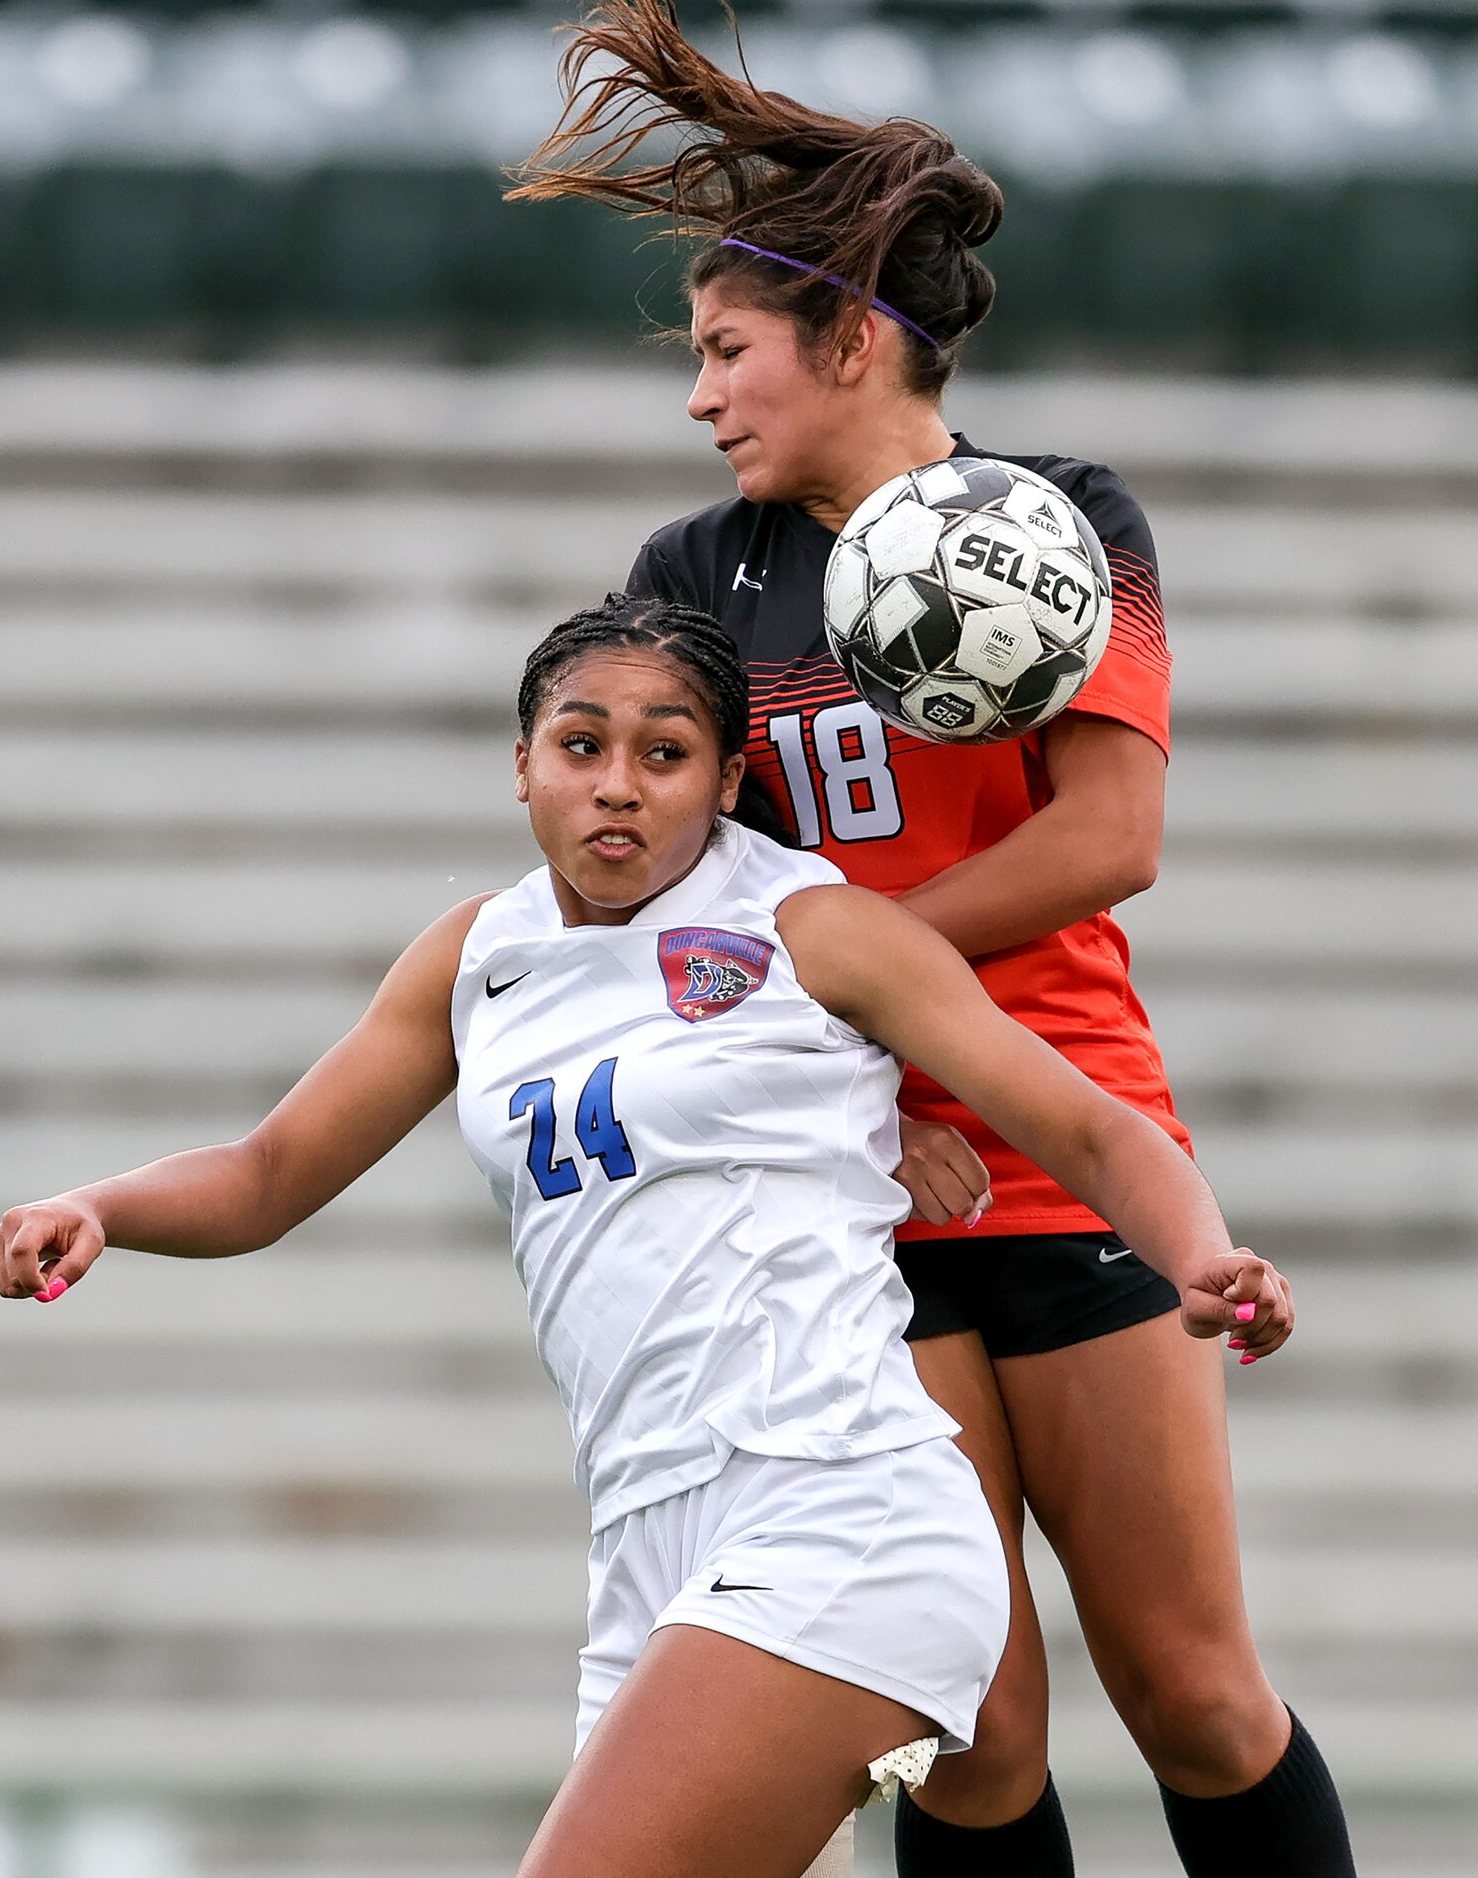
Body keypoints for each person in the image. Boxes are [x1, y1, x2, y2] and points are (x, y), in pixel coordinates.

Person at [0, 596, 1295, 1878]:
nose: (617, 783)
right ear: (520, 765)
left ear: (726, 776)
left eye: (663, 751)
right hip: (648, 1551)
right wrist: (98, 1206)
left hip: (833, 1503)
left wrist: (1200, 1255)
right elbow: (266, 1173)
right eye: (580, 745)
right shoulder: (476, 956)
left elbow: (1087, 1128)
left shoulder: (813, 925)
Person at [507, 9, 1357, 1878]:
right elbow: (682, 909)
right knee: (965, 1730)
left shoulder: (1055, 525)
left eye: (728, 352)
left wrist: (851, 963)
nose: (700, 394)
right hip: (837, 1191)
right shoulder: (690, 580)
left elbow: (1107, 838)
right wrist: (838, 1045)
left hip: (1058, 1148)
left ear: (853, 338)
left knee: (1193, 1691)